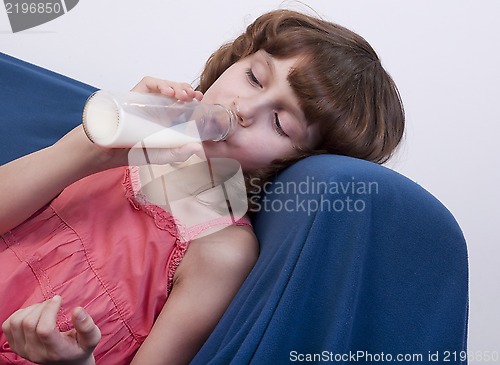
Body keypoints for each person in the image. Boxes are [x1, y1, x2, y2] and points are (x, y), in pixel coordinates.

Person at [0, 8, 404, 365]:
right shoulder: (123, 137)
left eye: (281, 123)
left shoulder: (221, 250)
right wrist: (88, 152)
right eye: (254, 77)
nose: (244, 109)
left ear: (301, 163)